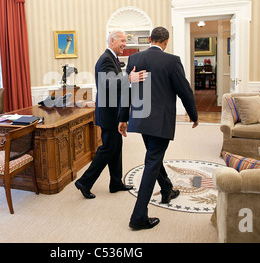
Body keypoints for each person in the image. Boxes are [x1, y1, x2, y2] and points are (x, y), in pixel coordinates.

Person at [118, 26, 199, 230]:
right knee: (152, 162)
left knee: (155, 155)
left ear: (150, 39)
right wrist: (194, 114)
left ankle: (167, 189)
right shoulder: (172, 61)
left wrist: (123, 117)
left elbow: (127, 90)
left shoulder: (134, 59)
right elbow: (185, 91)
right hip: (160, 121)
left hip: (140, 119)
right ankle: (138, 217)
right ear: (166, 41)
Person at [75, 30, 147, 199]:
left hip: (112, 112)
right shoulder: (106, 59)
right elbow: (108, 84)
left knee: (116, 148)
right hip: (108, 113)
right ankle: (84, 182)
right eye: (122, 40)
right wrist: (128, 79)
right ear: (112, 41)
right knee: (107, 149)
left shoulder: (111, 58)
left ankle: (115, 183)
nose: (125, 44)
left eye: (125, 41)